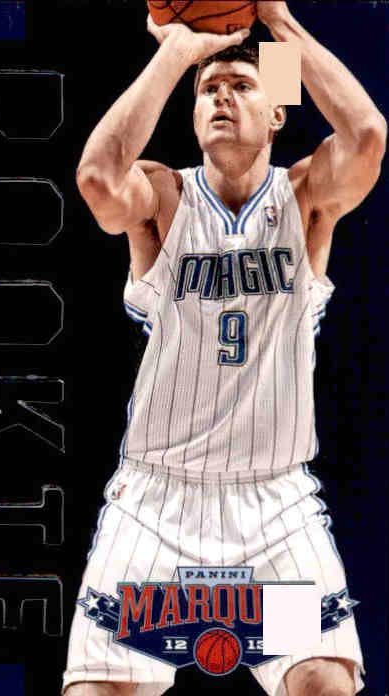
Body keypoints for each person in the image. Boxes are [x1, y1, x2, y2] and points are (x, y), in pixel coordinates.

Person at [63, 2, 386, 695]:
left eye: (242, 86)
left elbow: (365, 135)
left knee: (324, 683)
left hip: (275, 508)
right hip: (156, 504)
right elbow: (96, 180)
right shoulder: (163, 196)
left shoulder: (305, 198)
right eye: (210, 90)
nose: (222, 97)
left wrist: (278, 22)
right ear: (192, 115)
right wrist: (178, 52)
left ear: (277, 114)